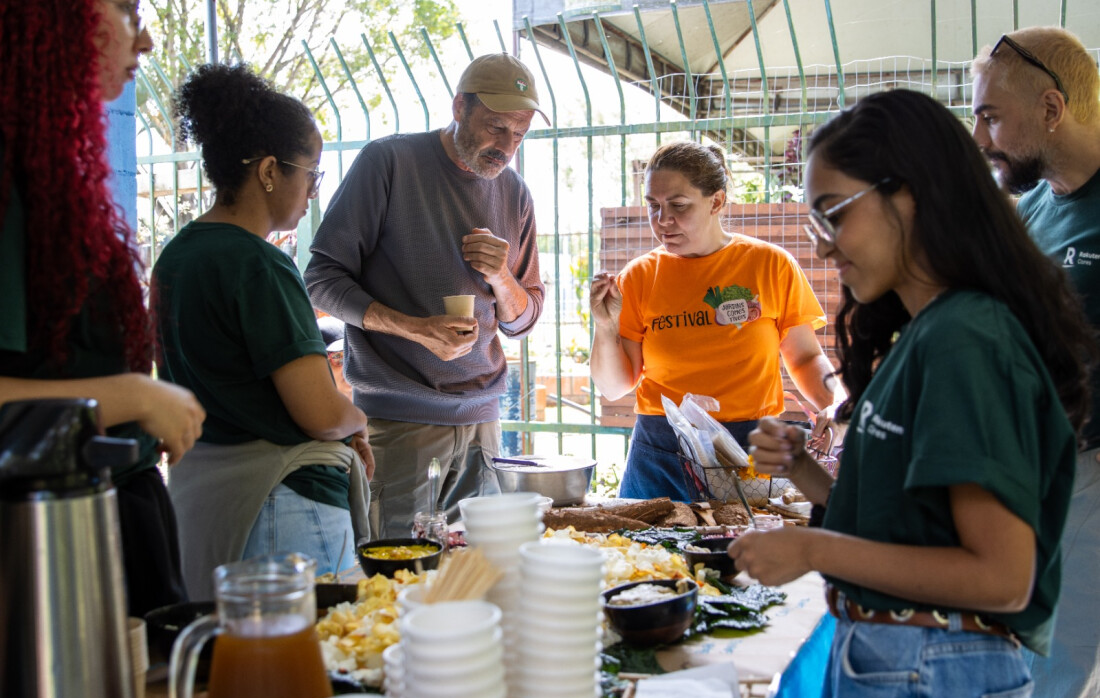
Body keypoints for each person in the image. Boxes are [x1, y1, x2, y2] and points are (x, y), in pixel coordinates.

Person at [730, 89, 1095, 698]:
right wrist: (803, 474)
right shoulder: (923, 334)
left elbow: (1000, 577)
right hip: (907, 668)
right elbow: (910, 526)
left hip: (936, 676)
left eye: (833, 215)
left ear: (910, 194)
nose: (823, 248)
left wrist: (814, 549)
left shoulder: (967, 337)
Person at [0, 0, 206, 617]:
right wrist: (138, 397)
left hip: (110, 522)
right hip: (51, 555)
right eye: (124, 9)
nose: (143, 39)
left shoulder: (50, 174)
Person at [151, 63, 374, 599]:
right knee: (312, 670)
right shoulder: (259, 264)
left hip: (203, 504)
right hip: (282, 506)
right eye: (311, 173)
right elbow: (319, 413)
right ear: (270, 170)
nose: (312, 191)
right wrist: (359, 419)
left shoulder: (176, 257)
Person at [304, 53, 546, 537]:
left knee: (478, 574)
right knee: (399, 580)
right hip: (399, 422)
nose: (507, 147)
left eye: (518, 134)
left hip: (484, 427)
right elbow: (321, 278)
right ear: (459, 107)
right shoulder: (388, 163)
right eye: (496, 127)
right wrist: (414, 329)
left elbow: (524, 320)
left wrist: (502, 277)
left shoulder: (515, 192)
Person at [970, 27, 1100, 698]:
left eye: (991, 115)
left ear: (1052, 108)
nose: (980, 133)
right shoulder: (1039, 207)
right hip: (1042, 472)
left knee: (1072, 679)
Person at [589, 140, 841, 502]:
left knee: (743, 555)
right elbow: (614, 387)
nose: (663, 221)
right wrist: (606, 327)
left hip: (751, 450)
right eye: (653, 206)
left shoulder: (771, 264)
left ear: (717, 202)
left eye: (678, 205)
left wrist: (833, 403)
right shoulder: (640, 276)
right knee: (644, 556)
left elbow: (804, 358)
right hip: (661, 452)